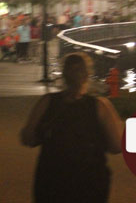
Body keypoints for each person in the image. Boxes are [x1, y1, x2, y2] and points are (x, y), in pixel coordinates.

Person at [20, 53, 122, 203]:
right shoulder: (100, 106)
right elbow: (116, 146)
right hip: (90, 180)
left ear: (63, 74)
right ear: (88, 74)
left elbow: (28, 137)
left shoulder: (47, 102)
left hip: (51, 179)